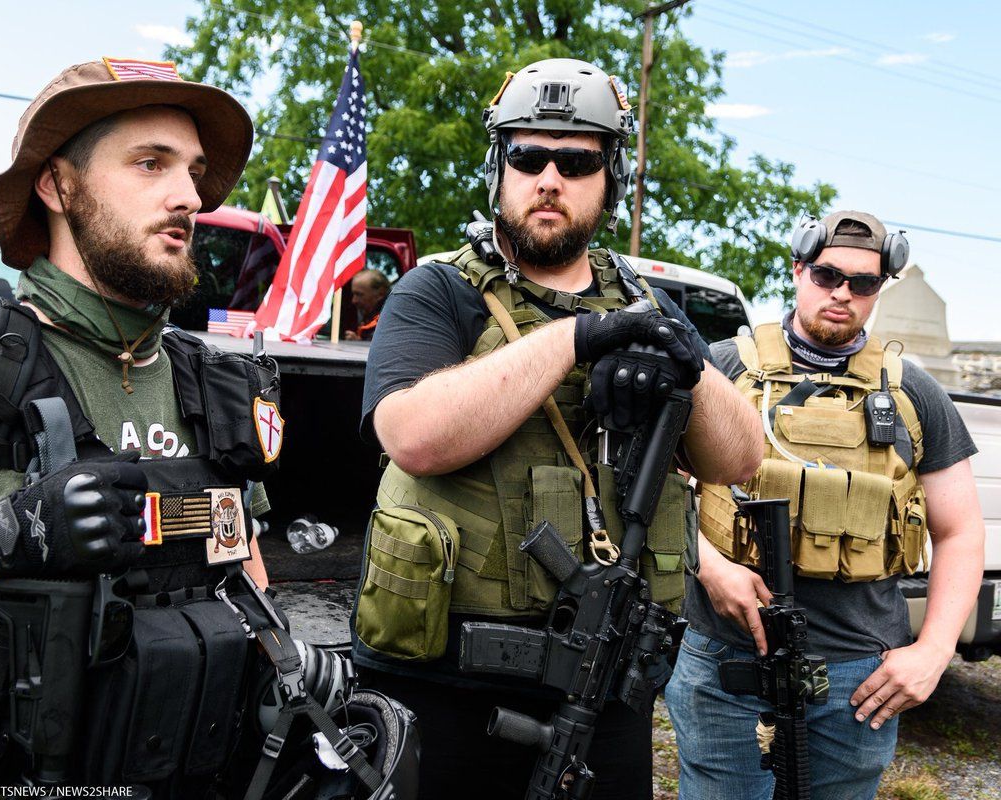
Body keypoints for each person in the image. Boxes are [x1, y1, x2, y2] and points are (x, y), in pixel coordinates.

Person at [0, 58, 416, 798]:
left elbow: (244, 580)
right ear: (58, 186)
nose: (189, 195)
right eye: (150, 163)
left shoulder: (214, 386)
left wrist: (306, 703)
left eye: (190, 170)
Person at [349, 58, 762, 800]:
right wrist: (578, 340)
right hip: (440, 679)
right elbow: (411, 434)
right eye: (527, 156)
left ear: (613, 179)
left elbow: (740, 458)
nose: (549, 178)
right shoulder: (438, 289)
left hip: (600, 681)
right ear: (497, 167)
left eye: (577, 162)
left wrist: (685, 364)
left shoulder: (647, 304)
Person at [666, 210, 985, 800]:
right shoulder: (722, 366)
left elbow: (960, 530)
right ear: (797, 270)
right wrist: (712, 569)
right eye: (826, 274)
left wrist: (935, 652)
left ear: (879, 289)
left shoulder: (914, 392)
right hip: (722, 653)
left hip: (858, 671)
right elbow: (656, 483)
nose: (841, 293)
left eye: (862, 283)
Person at [343, 268, 390, 340]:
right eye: (353, 294)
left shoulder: (389, 322)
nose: (354, 301)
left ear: (380, 294)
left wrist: (359, 343)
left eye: (359, 294)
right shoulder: (364, 315)